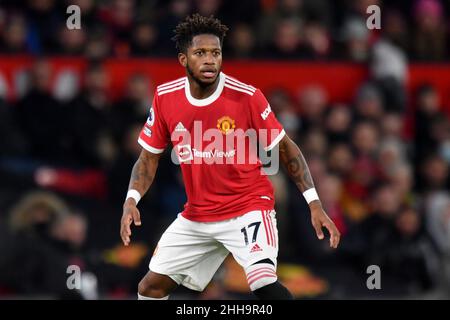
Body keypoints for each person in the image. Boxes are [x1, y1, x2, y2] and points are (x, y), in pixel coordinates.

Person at [120, 14, 340, 300]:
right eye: (200, 53)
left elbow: (286, 148)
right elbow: (148, 158)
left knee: (263, 282)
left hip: (247, 208)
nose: (210, 60)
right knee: (149, 288)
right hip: (198, 214)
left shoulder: (246, 97)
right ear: (184, 60)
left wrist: (314, 203)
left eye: (216, 52)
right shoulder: (165, 97)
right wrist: (131, 199)